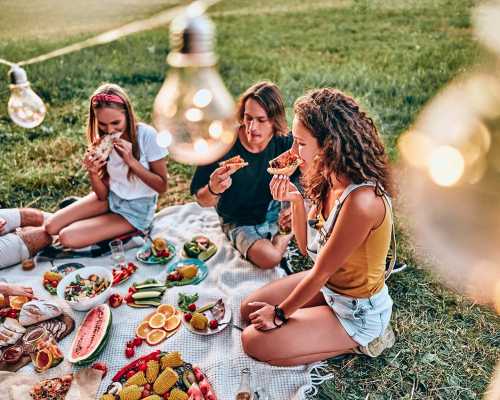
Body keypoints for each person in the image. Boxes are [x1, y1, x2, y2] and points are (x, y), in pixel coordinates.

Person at [240, 88, 396, 366]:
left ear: (328, 146)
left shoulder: (362, 202)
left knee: (253, 339)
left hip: (355, 311)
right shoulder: (328, 177)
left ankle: (366, 339)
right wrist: (295, 201)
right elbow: (307, 249)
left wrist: (279, 314)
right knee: (247, 310)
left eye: (300, 143)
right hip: (328, 288)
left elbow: (321, 271)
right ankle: (313, 326)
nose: (292, 152)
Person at [45, 83, 167, 248]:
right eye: (102, 124)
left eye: (116, 122)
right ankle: (97, 221)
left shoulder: (147, 136)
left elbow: (162, 186)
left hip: (135, 211)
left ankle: (130, 233)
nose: (109, 130)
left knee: (67, 237)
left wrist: (131, 161)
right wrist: (93, 173)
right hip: (110, 198)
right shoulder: (102, 142)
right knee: (50, 226)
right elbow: (102, 195)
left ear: (128, 115)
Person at [190, 81, 295, 269]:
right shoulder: (221, 143)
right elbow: (201, 200)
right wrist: (214, 189)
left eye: (261, 120)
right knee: (270, 258)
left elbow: (305, 178)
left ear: (274, 120)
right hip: (238, 219)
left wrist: (296, 206)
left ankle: (287, 232)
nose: (252, 127)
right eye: (248, 118)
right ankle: (286, 238)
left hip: (275, 208)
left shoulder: (285, 142)